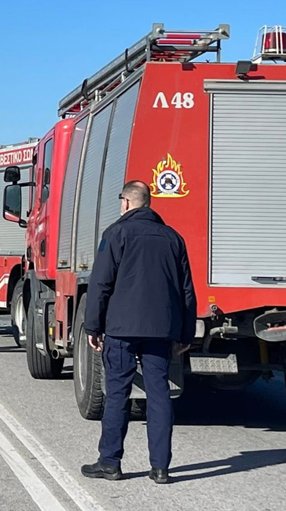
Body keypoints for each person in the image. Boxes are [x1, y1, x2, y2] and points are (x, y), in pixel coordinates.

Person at [81, 181, 196, 485]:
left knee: (118, 393)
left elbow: (101, 283)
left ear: (126, 202)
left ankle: (110, 463)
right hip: (161, 330)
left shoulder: (116, 233)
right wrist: (185, 333)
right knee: (159, 394)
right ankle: (160, 468)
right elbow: (186, 290)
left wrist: (93, 325)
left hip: (121, 329)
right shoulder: (173, 238)